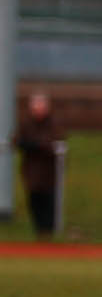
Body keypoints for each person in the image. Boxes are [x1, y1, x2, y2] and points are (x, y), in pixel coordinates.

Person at [13, 92, 64, 238]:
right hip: (31, 171)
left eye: (40, 108)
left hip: (49, 172)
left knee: (49, 200)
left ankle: (49, 232)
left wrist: (36, 145)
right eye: (35, 108)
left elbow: (55, 143)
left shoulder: (53, 124)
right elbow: (17, 140)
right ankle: (40, 232)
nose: (38, 111)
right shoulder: (26, 124)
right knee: (34, 200)